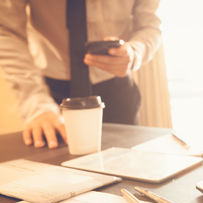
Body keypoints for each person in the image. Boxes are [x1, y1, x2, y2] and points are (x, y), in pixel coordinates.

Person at [0, 0, 161, 149]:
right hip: (50, 98)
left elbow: (150, 25)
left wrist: (134, 52)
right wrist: (35, 103)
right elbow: (6, 30)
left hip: (117, 91)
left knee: (129, 172)